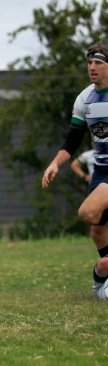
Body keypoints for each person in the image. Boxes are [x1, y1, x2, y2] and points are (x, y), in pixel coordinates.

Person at [43, 42, 108, 288]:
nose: (92, 67)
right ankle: (105, 276)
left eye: (98, 62)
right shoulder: (84, 98)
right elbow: (73, 140)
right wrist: (55, 164)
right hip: (101, 169)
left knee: (86, 211)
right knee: (97, 229)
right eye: (89, 62)